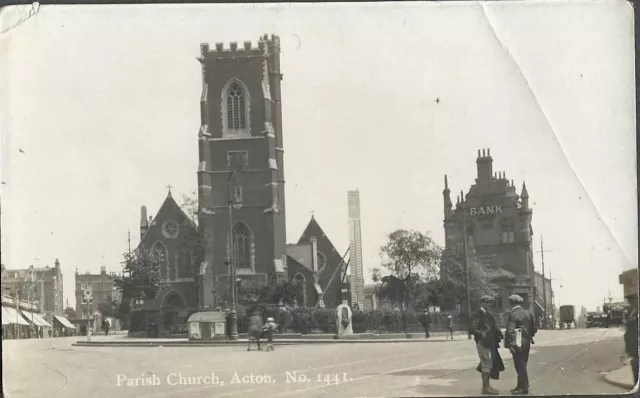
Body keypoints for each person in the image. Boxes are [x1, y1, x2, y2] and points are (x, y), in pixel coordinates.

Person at [470, 295, 503, 395]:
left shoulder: (488, 314)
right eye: (488, 302)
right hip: (482, 341)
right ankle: (486, 388)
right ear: (482, 303)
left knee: (488, 363)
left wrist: (499, 333)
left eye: (491, 303)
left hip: (489, 342)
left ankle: (487, 387)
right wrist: (482, 334)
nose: (490, 305)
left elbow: (493, 326)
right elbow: (473, 328)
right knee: (486, 363)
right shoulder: (478, 314)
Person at [504, 294, 537, 395]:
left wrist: (510, 344)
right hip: (526, 342)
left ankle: (524, 387)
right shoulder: (528, 313)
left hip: (517, 343)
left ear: (511, 303)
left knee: (519, 365)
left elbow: (510, 331)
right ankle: (520, 386)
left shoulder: (513, 315)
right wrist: (528, 335)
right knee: (523, 364)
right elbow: (534, 329)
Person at [624, 292, 638, 386]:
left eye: (631, 300)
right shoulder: (630, 310)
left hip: (637, 341)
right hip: (631, 343)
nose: (630, 302)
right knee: (634, 365)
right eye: (629, 301)